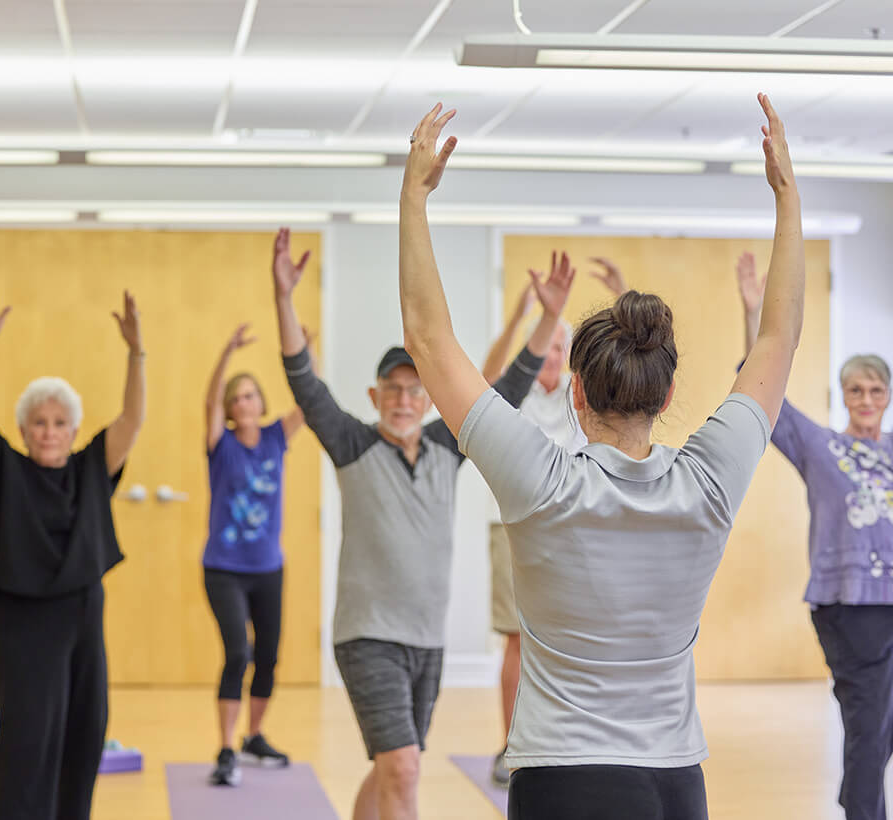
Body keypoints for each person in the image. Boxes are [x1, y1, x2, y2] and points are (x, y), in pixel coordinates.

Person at [398, 93, 802, 820]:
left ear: (575, 393)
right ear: (670, 388)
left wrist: (415, 196)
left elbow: (430, 343)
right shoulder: (708, 481)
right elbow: (777, 342)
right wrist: (788, 196)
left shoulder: (541, 481)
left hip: (563, 781)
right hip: (676, 783)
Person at [271, 226, 573, 820]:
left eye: (416, 391)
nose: (405, 400)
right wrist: (284, 299)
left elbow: (507, 388)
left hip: (426, 642)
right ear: (375, 394)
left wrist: (550, 316)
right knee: (404, 767)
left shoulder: (446, 443)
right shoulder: (351, 442)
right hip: (368, 637)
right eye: (393, 390)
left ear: (432, 401)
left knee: (391, 766)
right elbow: (304, 383)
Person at [0, 283, 145, 820]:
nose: (50, 432)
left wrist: (136, 352)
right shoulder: (3, 470)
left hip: (81, 616)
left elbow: (131, 420)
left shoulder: (91, 468)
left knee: (84, 733)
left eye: (59, 423)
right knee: (29, 741)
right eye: (39, 423)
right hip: (22, 622)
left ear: (73, 430)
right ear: (24, 430)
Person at [737, 251, 893, 820]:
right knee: (869, 722)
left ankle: (858, 802)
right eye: (856, 390)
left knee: (878, 725)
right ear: (843, 395)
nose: (867, 400)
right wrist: (753, 310)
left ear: (888, 396)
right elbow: (762, 395)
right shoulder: (822, 448)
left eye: (876, 390)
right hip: (848, 608)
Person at [482, 261, 627, 786]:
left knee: (576, 635)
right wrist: (523, 315)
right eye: (544, 346)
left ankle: (574, 739)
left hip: (575, 527)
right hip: (513, 528)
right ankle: (508, 745)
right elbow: (487, 379)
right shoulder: (513, 398)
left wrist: (619, 294)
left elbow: (627, 367)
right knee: (518, 641)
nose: (550, 355)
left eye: (560, 348)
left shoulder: (580, 398)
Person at [202, 323, 312, 785]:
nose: (243, 404)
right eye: (236, 398)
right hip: (224, 570)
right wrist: (225, 351)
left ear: (260, 403)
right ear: (228, 409)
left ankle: (254, 736)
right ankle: (225, 747)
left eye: (250, 396)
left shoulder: (274, 438)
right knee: (237, 652)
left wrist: (308, 352)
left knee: (267, 655)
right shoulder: (220, 445)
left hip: (269, 568)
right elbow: (207, 403)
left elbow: (309, 401)